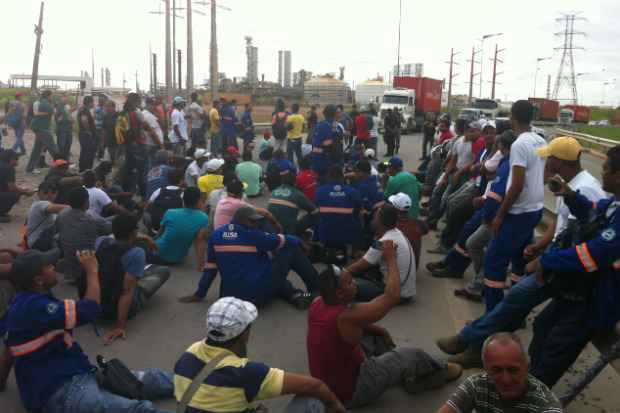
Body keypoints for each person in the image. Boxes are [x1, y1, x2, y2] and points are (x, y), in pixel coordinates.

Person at [435, 139, 607, 370]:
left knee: (515, 301)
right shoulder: (569, 183)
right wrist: (539, 246)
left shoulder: (585, 188)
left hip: (567, 268)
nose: (546, 161)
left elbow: (577, 239)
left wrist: (543, 260)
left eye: (549, 158)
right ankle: (480, 345)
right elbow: (560, 224)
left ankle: (469, 339)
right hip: (560, 260)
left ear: (558, 161)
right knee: (517, 307)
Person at [2, 249, 175, 413]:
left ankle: (199, 384)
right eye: (48, 266)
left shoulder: (24, 303)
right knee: (137, 409)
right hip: (61, 390)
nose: (53, 267)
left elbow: (10, 348)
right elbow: (90, 309)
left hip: (79, 373)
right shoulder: (36, 307)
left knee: (153, 378)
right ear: (38, 280)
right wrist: (92, 271)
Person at [307, 244, 461, 408]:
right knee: (408, 354)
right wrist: (391, 258)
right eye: (350, 282)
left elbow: (354, 327)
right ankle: (439, 372)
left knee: (375, 336)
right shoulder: (346, 317)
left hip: (330, 385)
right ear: (339, 293)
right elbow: (392, 296)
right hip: (352, 392)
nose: (355, 284)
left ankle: (403, 373)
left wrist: (380, 330)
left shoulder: (317, 304)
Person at [174, 297, 345, 413]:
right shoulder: (247, 373)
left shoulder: (189, 354)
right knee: (311, 400)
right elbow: (314, 386)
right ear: (244, 334)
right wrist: (335, 405)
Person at [181, 206, 318, 309]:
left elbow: (210, 269)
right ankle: (315, 288)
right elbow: (285, 240)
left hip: (230, 298)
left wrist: (199, 293)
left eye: (257, 222)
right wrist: (300, 241)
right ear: (241, 220)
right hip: (256, 297)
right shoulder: (253, 235)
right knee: (290, 250)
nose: (256, 224)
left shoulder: (216, 235)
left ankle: (295, 296)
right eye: (252, 222)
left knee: (267, 271)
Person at [483, 100, 546, 312]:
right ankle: (516, 311)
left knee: (494, 262)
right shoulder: (540, 140)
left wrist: (500, 215)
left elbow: (516, 184)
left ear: (513, 117)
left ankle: (493, 315)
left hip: (517, 213)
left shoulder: (519, 144)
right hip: (535, 209)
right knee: (520, 260)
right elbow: (543, 175)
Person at [433, 333, 562, 413]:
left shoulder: (546, 405)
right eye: (496, 370)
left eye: (513, 370)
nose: (505, 379)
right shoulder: (476, 385)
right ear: (485, 368)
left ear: (527, 367)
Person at [92, 214, 170, 344]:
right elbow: (126, 292)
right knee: (163, 270)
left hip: (95, 307)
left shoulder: (100, 241)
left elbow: (114, 237)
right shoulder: (136, 252)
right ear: (134, 232)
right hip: (114, 310)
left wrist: (144, 237)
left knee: (132, 272)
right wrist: (120, 326)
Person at [346, 204, 416, 302]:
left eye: (374, 218)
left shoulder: (383, 241)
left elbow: (357, 268)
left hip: (396, 294)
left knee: (349, 287)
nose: (372, 220)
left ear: (379, 222)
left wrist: (338, 275)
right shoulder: (398, 234)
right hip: (407, 291)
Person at [56, 186, 111, 283]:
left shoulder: (62, 214)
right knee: (109, 239)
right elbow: (108, 228)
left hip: (69, 260)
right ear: (86, 202)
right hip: (86, 264)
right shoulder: (91, 218)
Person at [151, 187, 209, 267]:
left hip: (157, 254)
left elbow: (159, 234)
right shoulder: (203, 218)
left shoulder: (170, 212)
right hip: (176, 259)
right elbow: (200, 241)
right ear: (199, 201)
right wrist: (201, 264)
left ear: (183, 200)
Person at [315, 166, 362, 253]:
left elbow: (316, 206)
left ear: (328, 176)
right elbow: (359, 208)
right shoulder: (352, 191)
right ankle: (355, 251)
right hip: (347, 234)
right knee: (359, 217)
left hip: (325, 233)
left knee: (318, 215)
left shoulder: (319, 191)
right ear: (342, 177)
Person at [116, 93, 151, 199]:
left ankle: (126, 194)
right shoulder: (134, 113)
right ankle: (143, 195)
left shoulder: (122, 113)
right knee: (141, 171)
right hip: (135, 145)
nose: (140, 103)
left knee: (129, 170)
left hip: (124, 145)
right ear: (134, 102)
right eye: (139, 101)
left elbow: (120, 130)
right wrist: (137, 140)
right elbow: (136, 128)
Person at [268, 165, 318, 235]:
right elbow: (314, 210)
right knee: (316, 215)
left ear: (282, 181)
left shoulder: (274, 191)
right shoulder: (297, 194)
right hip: (289, 230)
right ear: (295, 182)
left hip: (272, 229)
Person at [26, 182, 68, 251]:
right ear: (38, 193)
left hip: (39, 240)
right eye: (45, 192)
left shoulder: (37, 205)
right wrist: (75, 206)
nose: (50, 195)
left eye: (53, 192)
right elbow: (55, 208)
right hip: (38, 242)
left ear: (57, 193)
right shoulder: (40, 204)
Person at [26, 90, 60, 174]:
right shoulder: (45, 103)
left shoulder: (43, 102)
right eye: (51, 95)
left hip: (39, 127)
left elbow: (49, 112)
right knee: (53, 148)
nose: (52, 97)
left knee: (37, 149)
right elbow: (53, 111)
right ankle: (62, 166)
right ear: (48, 96)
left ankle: (30, 168)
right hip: (42, 128)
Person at [388, 192, 423, 271]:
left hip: (396, 271)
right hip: (413, 268)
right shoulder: (418, 224)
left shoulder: (391, 226)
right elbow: (425, 230)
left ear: (394, 208)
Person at [145, 168, 185, 234]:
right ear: (181, 181)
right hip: (172, 228)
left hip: (156, 226)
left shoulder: (159, 191)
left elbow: (146, 207)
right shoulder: (183, 194)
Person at [0, 150, 34, 221]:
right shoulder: (9, 168)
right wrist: (25, 192)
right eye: (16, 159)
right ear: (10, 159)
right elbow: (12, 188)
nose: (17, 162)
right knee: (15, 194)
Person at [312, 105, 343, 182]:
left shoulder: (319, 125)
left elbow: (315, 143)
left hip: (320, 162)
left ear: (324, 114)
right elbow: (339, 143)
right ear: (335, 114)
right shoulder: (337, 126)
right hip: (334, 163)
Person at [142, 97, 166, 167]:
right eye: (152, 104)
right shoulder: (148, 115)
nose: (154, 106)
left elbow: (161, 124)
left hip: (152, 144)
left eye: (154, 105)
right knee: (153, 166)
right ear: (147, 104)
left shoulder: (149, 114)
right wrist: (161, 146)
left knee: (150, 165)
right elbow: (152, 133)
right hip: (153, 145)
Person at [77, 96, 97, 172]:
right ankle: (86, 169)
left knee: (85, 151)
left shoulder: (84, 109)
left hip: (84, 134)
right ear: (90, 102)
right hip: (86, 134)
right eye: (93, 102)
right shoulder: (84, 110)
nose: (93, 104)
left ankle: (83, 169)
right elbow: (84, 120)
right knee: (88, 152)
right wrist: (88, 131)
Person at [54, 94, 74, 161]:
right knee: (61, 145)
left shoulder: (68, 106)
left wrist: (71, 119)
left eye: (66, 98)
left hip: (69, 128)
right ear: (60, 99)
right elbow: (57, 119)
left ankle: (66, 159)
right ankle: (59, 160)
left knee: (68, 144)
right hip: (62, 129)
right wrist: (61, 118)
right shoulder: (58, 107)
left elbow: (71, 117)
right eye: (64, 98)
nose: (65, 100)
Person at [102, 100, 118, 164]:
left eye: (108, 106)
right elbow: (104, 130)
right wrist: (103, 142)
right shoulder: (105, 117)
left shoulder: (118, 116)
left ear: (113, 107)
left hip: (118, 143)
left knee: (117, 161)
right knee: (110, 161)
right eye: (106, 106)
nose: (106, 108)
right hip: (109, 142)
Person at [94, 95, 107, 160]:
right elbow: (98, 117)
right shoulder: (98, 108)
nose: (104, 102)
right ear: (100, 101)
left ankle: (99, 155)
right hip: (99, 127)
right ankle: (100, 156)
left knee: (100, 142)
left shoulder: (102, 108)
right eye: (103, 101)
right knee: (101, 142)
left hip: (100, 127)